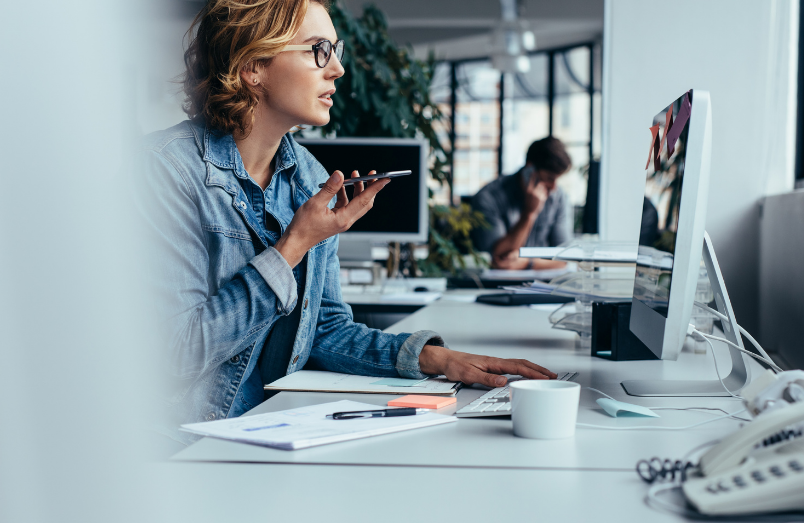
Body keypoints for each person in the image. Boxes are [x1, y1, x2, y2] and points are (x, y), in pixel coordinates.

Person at [139, 0, 555, 447]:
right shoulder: (164, 172)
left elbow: (325, 330)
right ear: (252, 66)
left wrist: (437, 360)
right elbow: (173, 353)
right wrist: (292, 247)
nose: (337, 68)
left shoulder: (311, 178)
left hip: (264, 430)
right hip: (178, 444)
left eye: (335, 49)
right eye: (319, 50)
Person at [471, 137, 573, 270]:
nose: (554, 187)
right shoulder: (488, 197)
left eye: (557, 180)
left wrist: (528, 263)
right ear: (530, 170)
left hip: (543, 285)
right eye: (549, 178)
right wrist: (529, 214)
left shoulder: (559, 197)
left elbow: (566, 258)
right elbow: (500, 258)